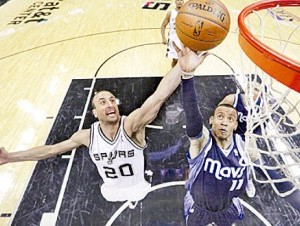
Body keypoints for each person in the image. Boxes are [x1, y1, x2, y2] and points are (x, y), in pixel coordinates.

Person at [0, 44, 209, 203]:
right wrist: (10, 157)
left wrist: (183, 70)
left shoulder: (131, 126)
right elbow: (50, 150)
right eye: (103, 101)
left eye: (112, 100)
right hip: (109, 193)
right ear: (95, 112)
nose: (110, 104)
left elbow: (158, 97)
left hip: (139, 189)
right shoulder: (87, 136)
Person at [180, 72, 252, 225]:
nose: (224, 122)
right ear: (211, 120)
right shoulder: (203, 142)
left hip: (228, 208)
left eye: (230, 119)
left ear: (235, 125)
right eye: (220, 117)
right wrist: (187, 77)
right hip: (199, 209)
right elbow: (192, 117)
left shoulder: (243, 145)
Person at [161, 0, 184, 68]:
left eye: (181, 0)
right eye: (177, 0)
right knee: (175, 59)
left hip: (184, 39)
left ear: (183, 1)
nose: (179, 2)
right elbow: (163, 26)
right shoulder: (170, 13)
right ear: (175, 1)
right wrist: (163, 38)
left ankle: (182, 76)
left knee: (183, 60)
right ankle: (173, 75)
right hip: (173, 39)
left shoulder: (187, 13)